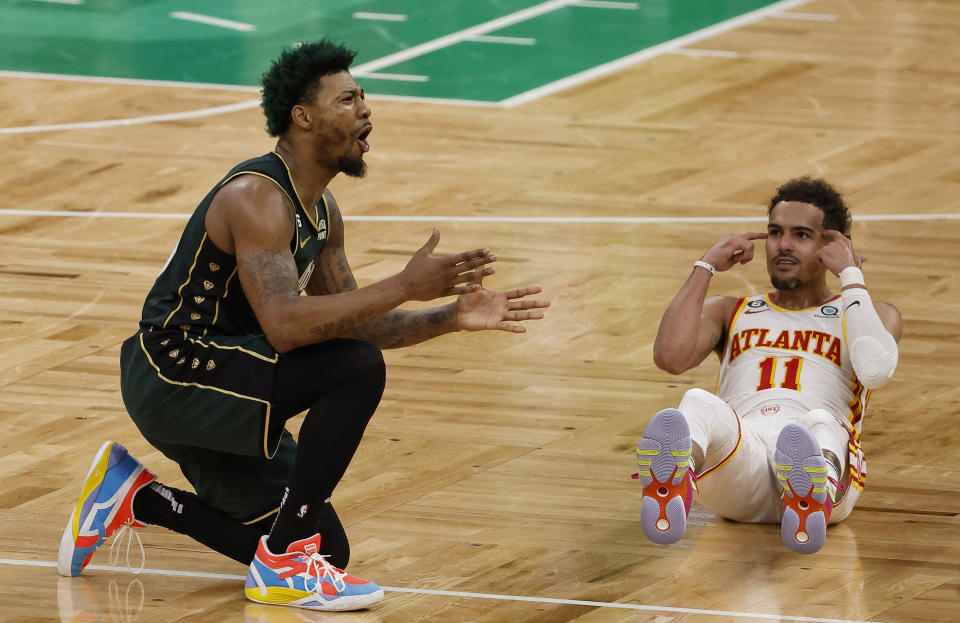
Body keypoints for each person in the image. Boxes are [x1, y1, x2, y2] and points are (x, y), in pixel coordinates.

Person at [57, 39, 549, 612]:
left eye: (364, 97)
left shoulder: (323, 211)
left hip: (229, 376)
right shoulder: (257, 197)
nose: (366, 109)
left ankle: (139, 499)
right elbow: (289, 327)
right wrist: (406, 284)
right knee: (355, 370)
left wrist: (450, 317)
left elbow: (356, 321)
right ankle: (285, 565)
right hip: (173, 371)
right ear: (303, 116)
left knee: (329, 551)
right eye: (348, 99)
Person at [634, 177, 901, 554]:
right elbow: (669, 357)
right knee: (696, 403)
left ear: (833, 245)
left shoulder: (865, 313)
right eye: (775, 232)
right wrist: (705, 266)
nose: (783, 245)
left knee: (818, 425)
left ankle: (812, 492)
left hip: (825, 457)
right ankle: (670, 487)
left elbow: (874, 369)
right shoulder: (732, 310)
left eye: (802, 235)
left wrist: (851, 277)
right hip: (744, 460)